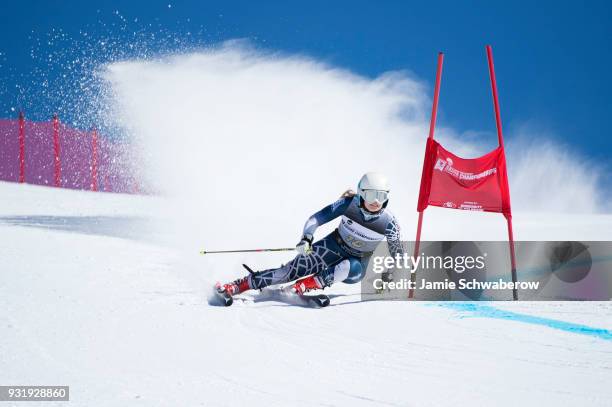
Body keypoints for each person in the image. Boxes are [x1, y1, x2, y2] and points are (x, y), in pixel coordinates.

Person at [215, 172, 403, 300]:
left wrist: (390, 278)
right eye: (371, 195)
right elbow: (316, 219)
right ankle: (239, 286)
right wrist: (306, 238)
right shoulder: (348, 204)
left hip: (357, 265)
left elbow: (399, 256)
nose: (376, 201)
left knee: (348, 266)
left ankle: (305, 285)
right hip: (332, 246)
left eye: (381, 195)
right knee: (290, 271)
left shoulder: (389, 223)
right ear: (361, 193)